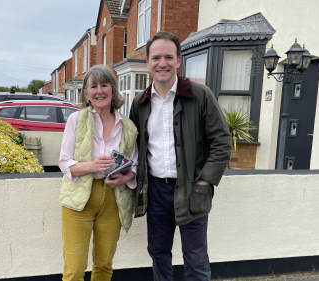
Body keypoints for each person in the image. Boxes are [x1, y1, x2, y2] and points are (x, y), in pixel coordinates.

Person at [129, 31, 232, 281]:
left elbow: (222, 141)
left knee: (196, 260)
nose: (161, 63)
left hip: (192, 190)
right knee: (158, 254)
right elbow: (132, 146)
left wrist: (204, 182)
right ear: (148, 63)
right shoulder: (140, 103)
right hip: (155, 191)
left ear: (178, 60)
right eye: (156, 58)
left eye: (168, 57)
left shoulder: (200, 95)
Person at [59, 64, 138, 281]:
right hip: (79, 198)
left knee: (104, 266)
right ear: (86, 93)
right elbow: (64, 162)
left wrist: (126, 176)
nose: (99, 90)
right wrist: (91, 167)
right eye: (93, 86)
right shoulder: (76, 120)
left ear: (113, 89)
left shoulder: (128, 127)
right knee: (74, 269)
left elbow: (135, 165)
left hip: (113, 199)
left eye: (105, 85)